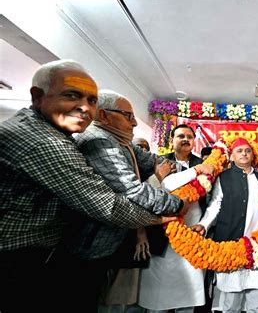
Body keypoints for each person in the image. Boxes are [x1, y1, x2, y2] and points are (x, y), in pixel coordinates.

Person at [0, 60, 182, 313]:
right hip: (20, 258)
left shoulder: (55, 132)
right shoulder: (49, 142)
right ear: (38, 96)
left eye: (92, 100)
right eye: (71, 95)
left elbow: (151, 163)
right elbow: (108, 205)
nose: (86, 108)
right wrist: (163, 215)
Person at [69, 89, 181, 311]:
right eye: (128, 116)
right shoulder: (99, 142)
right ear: (104, 115)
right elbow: (133, 189)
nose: (134, 123)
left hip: (115, 240)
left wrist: (164, 169)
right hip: (91, 244)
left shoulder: (121, 141)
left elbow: (156, 161)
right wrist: (176, 205)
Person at [139, 124, 214, 313]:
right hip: (163, 235)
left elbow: (215, 200)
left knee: (189, 295)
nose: (186, 139)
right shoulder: (159, 162)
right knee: (158, 298)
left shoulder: (204, 164)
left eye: (190, 136)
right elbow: (147, 191)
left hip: (193, 235)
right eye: (181, 136)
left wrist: (204, 224)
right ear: (172, 140)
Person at [192, 137, 258, 313]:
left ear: (253, 155)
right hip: (230, 243)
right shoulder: (224, 177)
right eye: (239, 151)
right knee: (231, 303)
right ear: (232, 157)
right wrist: (204, 224)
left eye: (247, 150)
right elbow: (215, 204)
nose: (244, 153)